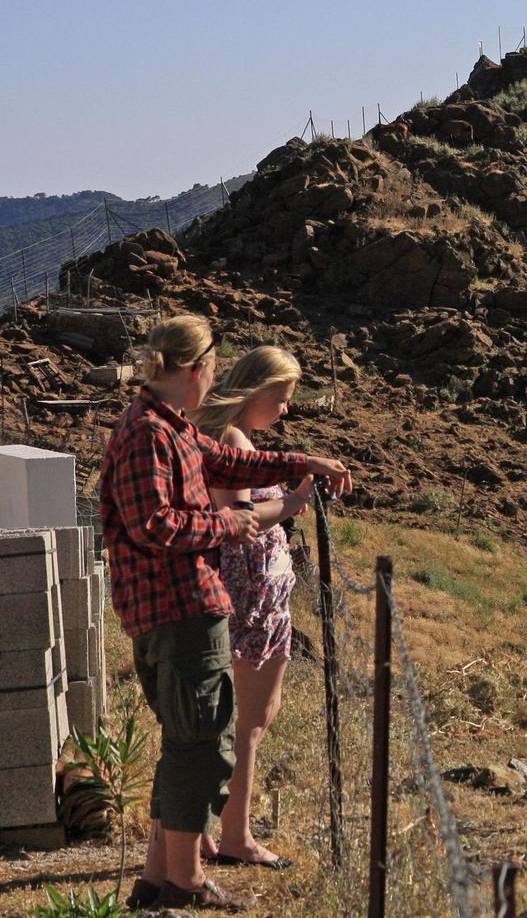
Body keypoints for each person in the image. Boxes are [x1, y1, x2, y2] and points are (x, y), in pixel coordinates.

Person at [100, 317, 352, 912]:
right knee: (204, 745)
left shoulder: (171, 428)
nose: (216, 376)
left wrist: (304, 462)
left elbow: (231, 463)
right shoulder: (146, 435)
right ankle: (185, 883)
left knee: (187, 741)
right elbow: (154, 525)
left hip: (185, 604)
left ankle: (158, 878)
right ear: (196, 367)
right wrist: (231, 524)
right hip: (176, 606)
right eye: (213, 364)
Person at [192, 346, 312, 872]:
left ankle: (196, 829)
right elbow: (240, 518)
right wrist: (292, 501)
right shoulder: (234, 438)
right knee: (249, 724)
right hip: (251, 602)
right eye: (282, 399)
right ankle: (237, 834)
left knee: (229, 723)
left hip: (249, 597)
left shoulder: (224, 435)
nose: (285, 410)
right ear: (256, 391)